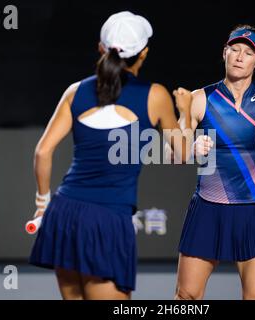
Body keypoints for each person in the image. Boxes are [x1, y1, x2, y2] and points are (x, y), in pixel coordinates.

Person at [28, 11, 193, 300]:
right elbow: (182, 153)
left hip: (63, 215)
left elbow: (42, 151)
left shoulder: (74, 91)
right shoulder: (155, 95)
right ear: (143, 54)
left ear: (101, 48)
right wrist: (186, 110)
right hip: (107, 221)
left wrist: (43, 205)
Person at [175, 25, 255, 300]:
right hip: (208, 209)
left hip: (253, 212)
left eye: (248, 52)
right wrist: (192, 148)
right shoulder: (199, 99)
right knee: (186, 297)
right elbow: (174, 154)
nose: (240, 57)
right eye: (235, 49)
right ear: (224, 52)